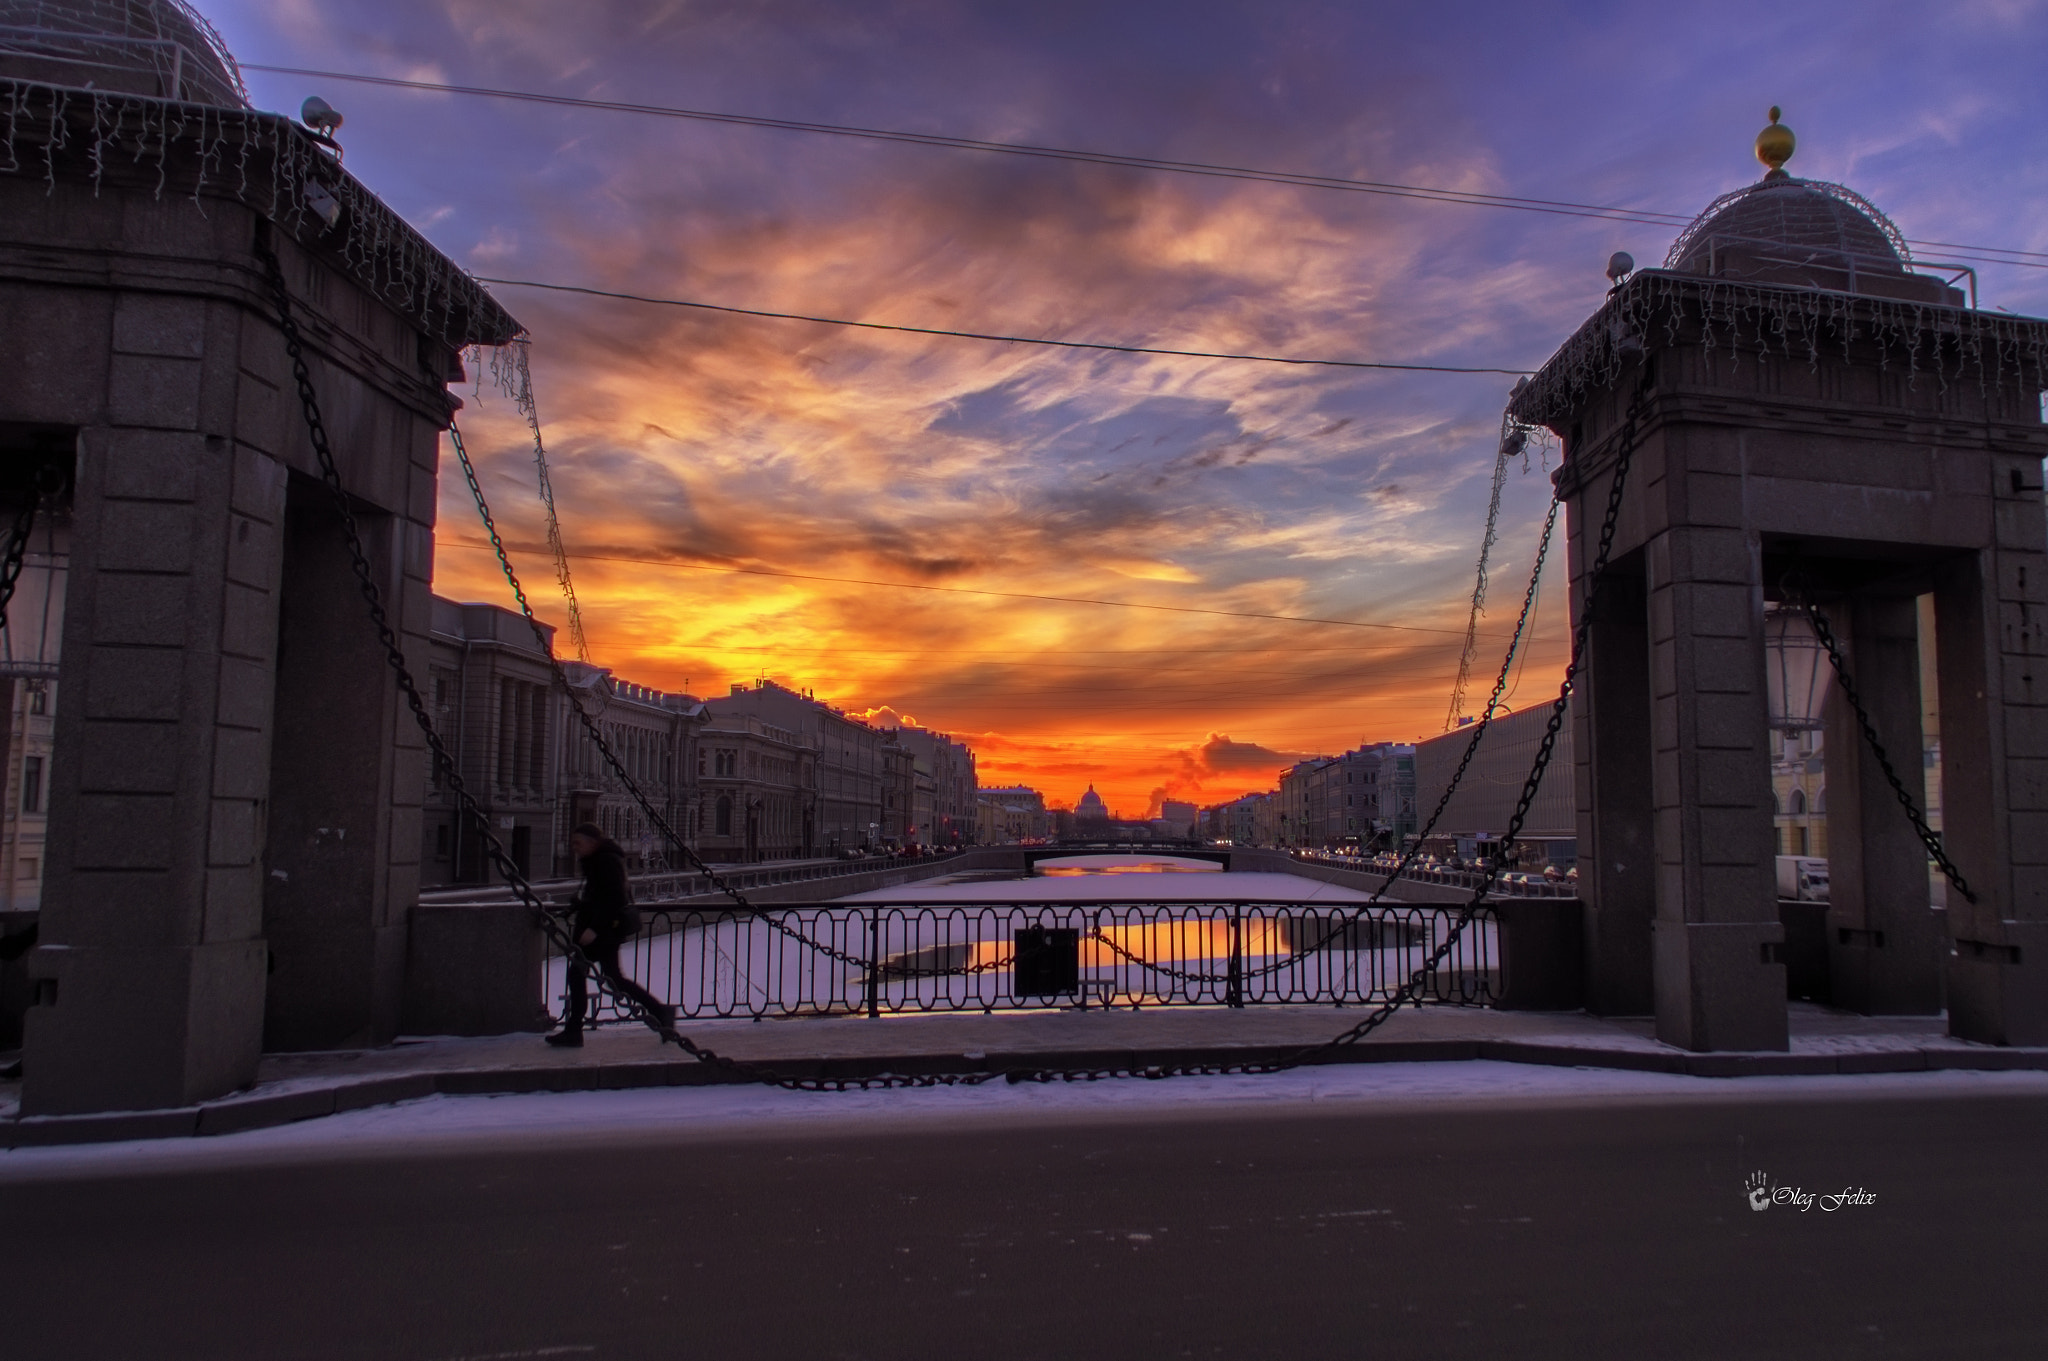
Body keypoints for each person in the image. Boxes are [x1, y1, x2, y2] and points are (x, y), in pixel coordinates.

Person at [547, 823, 675, 1047]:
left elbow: (615, 898)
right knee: (610, 978)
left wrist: (594, 928)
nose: (574, 848)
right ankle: (660, 1011)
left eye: (578, 843)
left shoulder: (605, 861)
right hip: (602, 931)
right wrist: (576, 907)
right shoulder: (599, 860)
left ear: (592, 842)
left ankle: (575, 1031)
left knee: (587, 976)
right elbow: (598, 895)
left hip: (601, 932)